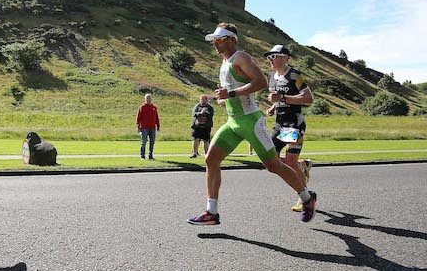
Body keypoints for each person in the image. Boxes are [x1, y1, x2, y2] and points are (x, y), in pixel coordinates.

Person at [188, 23, 317, 225]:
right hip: (233, 122)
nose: (215, 43)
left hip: (251, 121)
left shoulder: (241, 57)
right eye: (214, 40)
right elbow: (236, 89)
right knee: (211, 159)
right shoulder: (224, 63)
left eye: (219, 39)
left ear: (232, 39)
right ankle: (211, 212)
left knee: (274, 165)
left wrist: (230, 93)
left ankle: (307, 198)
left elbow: (260, 83)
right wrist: (225, 99)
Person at [265, 44, 314, 212]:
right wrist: (273, 107)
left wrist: (283, 98)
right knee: (271, 161)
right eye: (269, 57)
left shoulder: (294, 75)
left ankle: (304, 197)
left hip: (294, 124)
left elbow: (308, 98)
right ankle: (303, 167)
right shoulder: (272, 76)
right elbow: (277, 99)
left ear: (285, 57)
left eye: (274, 56)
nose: (270, 59)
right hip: (279, 124)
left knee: (290, 162)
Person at [136, 93, 160, 160]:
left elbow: (156, 118)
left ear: (151, 99)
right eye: (147, 98)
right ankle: (142, 156)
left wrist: (158, 126)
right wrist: (138, 127)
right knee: (143, 142)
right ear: (145, 99)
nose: (148, 99)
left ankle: (150, 155)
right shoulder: (142, 107)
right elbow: (138, 118)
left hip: (152, 127)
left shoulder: (154, 108)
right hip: (144, 128)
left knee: (152, 142)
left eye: (149, 98)